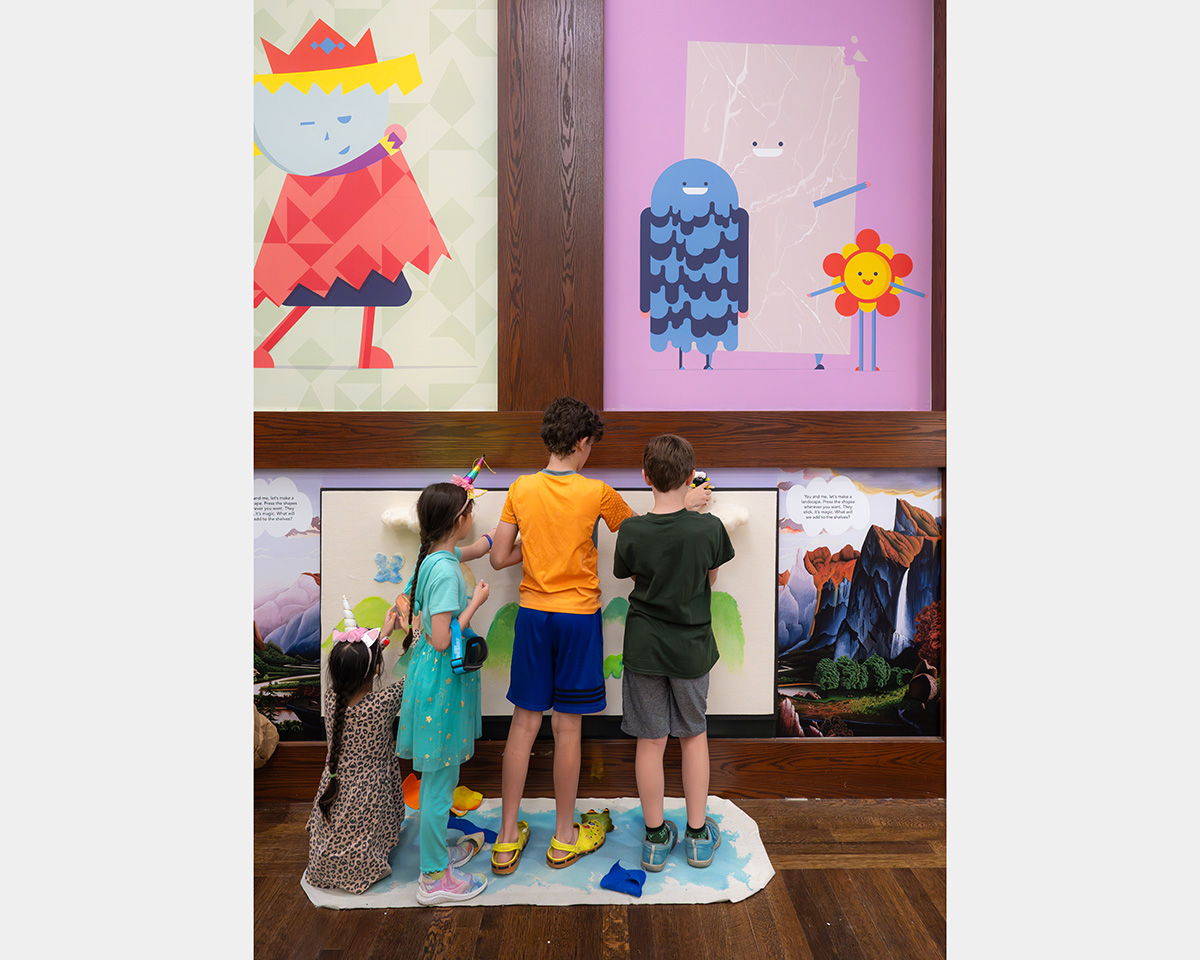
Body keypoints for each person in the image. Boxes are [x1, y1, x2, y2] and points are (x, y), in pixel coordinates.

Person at [487, 398, 711, 872]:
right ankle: (563, 837)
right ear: (584, 442)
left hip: (533, 616)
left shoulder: (521, 488)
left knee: (523, 724)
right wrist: (689, 505)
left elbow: (500, 557)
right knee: (567, 727)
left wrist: (539, 542)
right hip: (578, 618)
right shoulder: (598, 493)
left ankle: (505, 839)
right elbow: (648, 534)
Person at [612, 434, 735, 872]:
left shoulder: (631, 530)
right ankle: (698, 837)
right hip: (691, 650)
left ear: (645, 477)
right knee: (693, 735)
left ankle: (654, 838)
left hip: (644, 647)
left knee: (650, 740)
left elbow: (632, 576)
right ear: (690, 477)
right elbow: (710, 578)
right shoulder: (709, 528)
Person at [304, 597, 484, 893]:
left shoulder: (331, 698)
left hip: (337, 788)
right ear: (375, 670)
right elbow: (417, 675)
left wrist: (384, 634)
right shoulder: (379, 704)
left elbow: (362, 666)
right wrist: (416, 632)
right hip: (368, 792)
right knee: (374, 822)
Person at [394, 481, 496, 905]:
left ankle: (435, 855)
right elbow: (441, 639)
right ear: (459, 520)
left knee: (441, 777)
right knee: (438, 784)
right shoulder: (447, 572)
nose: (473, 516)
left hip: (433, 681)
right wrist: (476, 603)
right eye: (470, 511)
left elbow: (470, 550)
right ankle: (434, 878)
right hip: (442, 684)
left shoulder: (434, 557)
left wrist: (494, 540)